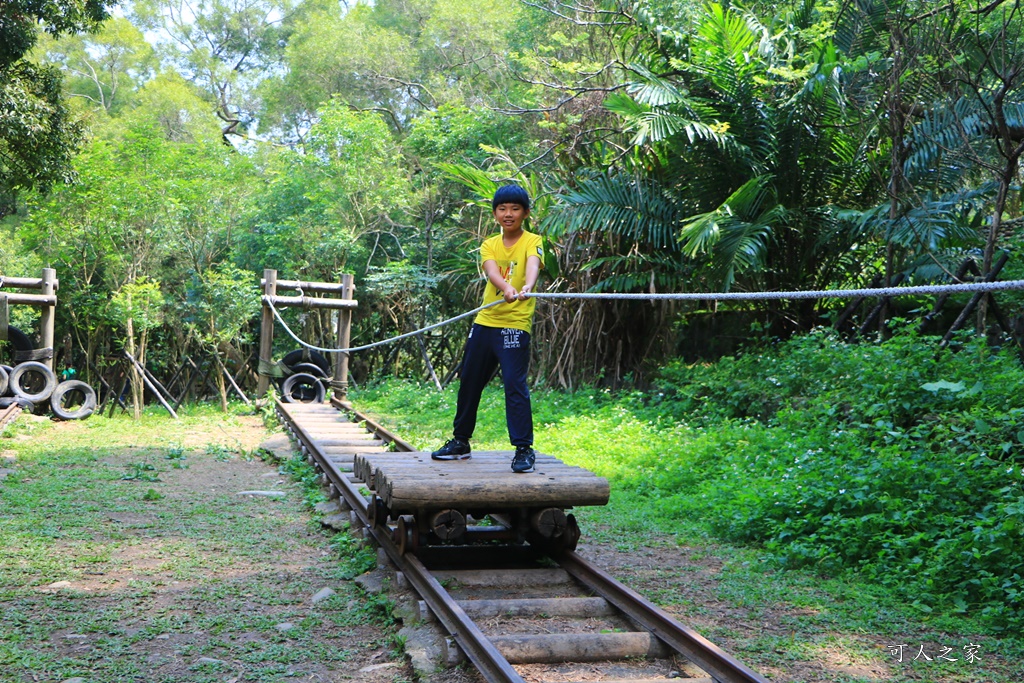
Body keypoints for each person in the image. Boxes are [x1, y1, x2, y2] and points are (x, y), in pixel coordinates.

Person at [431, 183, 543, 473]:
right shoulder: (489, 244)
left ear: (525, 213)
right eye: (502, 209)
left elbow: (533, 264)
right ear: (495, 213)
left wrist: (526, 286)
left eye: (515, 209)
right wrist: (506, 287)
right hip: (485, 322)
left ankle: (523, 449)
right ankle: (460, 441)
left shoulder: (532, 240)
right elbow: (492, 271)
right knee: (469, 380)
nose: (509, 214)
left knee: (515, 385)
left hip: (515, 326)